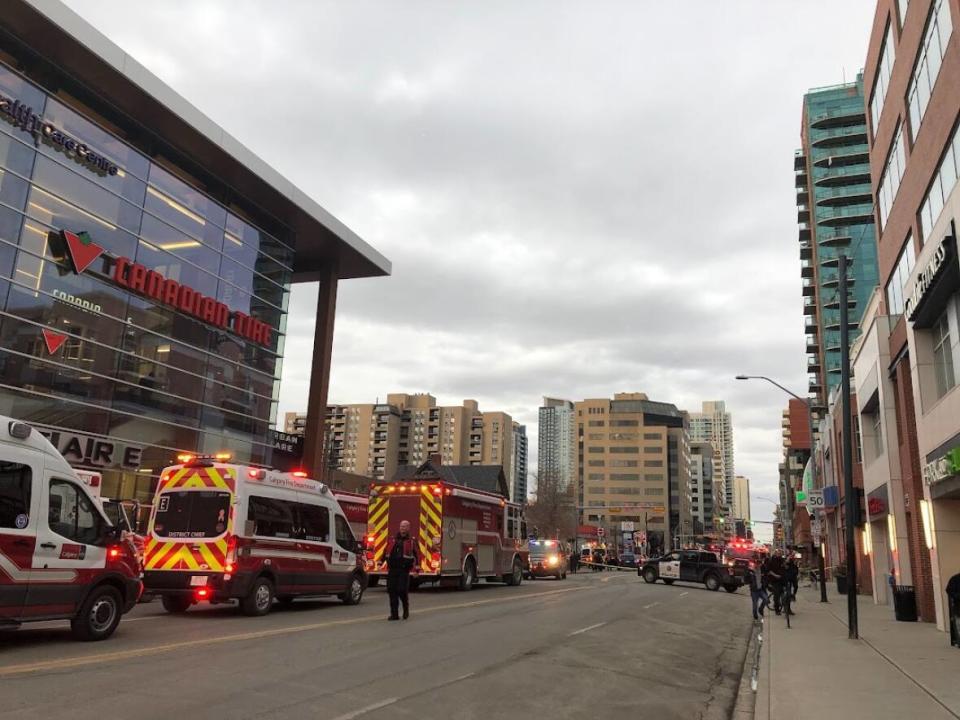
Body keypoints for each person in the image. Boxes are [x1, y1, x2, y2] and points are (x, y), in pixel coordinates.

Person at [384, 520, 417, 621]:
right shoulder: (392, 539)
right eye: (401, 526)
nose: (402, 528)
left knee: (402, 590)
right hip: (393, 569)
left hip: (404, 570)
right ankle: (394, 615)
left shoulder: (411, 541)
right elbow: (385, 551)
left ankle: (405, 608)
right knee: (392, 591)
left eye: (405, 526)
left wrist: (416, 570)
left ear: (408, 528)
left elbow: (417, 555)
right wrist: (381, 562)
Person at [765, 550, 786, 615]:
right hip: (774, 580)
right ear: (775, 554)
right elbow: (768, 570)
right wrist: (775, 575)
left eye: (780, 553)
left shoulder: (782, 560)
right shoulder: (771, 560)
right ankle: (777, 610)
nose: (779, 554)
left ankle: (786, 608)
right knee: (776, 595)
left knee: (784, 594)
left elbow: (785, 567)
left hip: (782, 580)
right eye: (778, 553)